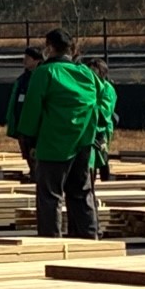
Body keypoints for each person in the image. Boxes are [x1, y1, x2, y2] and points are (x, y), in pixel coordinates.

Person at [19, 28, 103, 240]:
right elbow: (101, 102)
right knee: (82, 193)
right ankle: (90, 238)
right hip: (83, 143)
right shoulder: (86, 73)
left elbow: (32, 109)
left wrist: (29, 139)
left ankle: (51, 241)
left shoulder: (45, 73)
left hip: (52, 144)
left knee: (50, 196)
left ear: (49, 47)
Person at [6, 47, 45, 182]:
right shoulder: (23, 79)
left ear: (37, 60)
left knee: (34, 150)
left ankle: (38, 175)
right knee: (26, 150)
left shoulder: (41, 76)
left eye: (28, 58)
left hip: (34, 123)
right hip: (21, 121)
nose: (24, 61)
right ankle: (33, 173)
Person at [87, 57, 117, 182]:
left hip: (102, 130)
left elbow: (104, 112)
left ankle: (106, 182)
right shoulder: (88, 87)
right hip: (90, 128)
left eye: (93, 72)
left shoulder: (107, 89)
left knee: (102, 156)